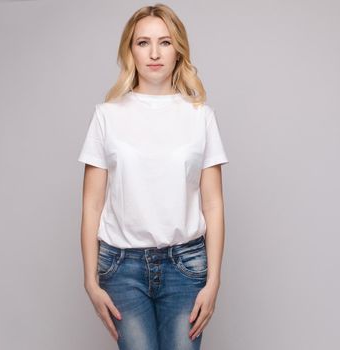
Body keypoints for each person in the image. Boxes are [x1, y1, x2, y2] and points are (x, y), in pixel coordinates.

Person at [78, 3, 229, 349]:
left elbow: (213, 204)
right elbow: (92, 204)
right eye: (143, 42)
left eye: (164, 42)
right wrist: (89, 280)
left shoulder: (200, 117)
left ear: (179, 49)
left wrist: (214, 281)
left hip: (186, 266)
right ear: (130, 51)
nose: (154, 53)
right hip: (122, 267)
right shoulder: (106, 116)